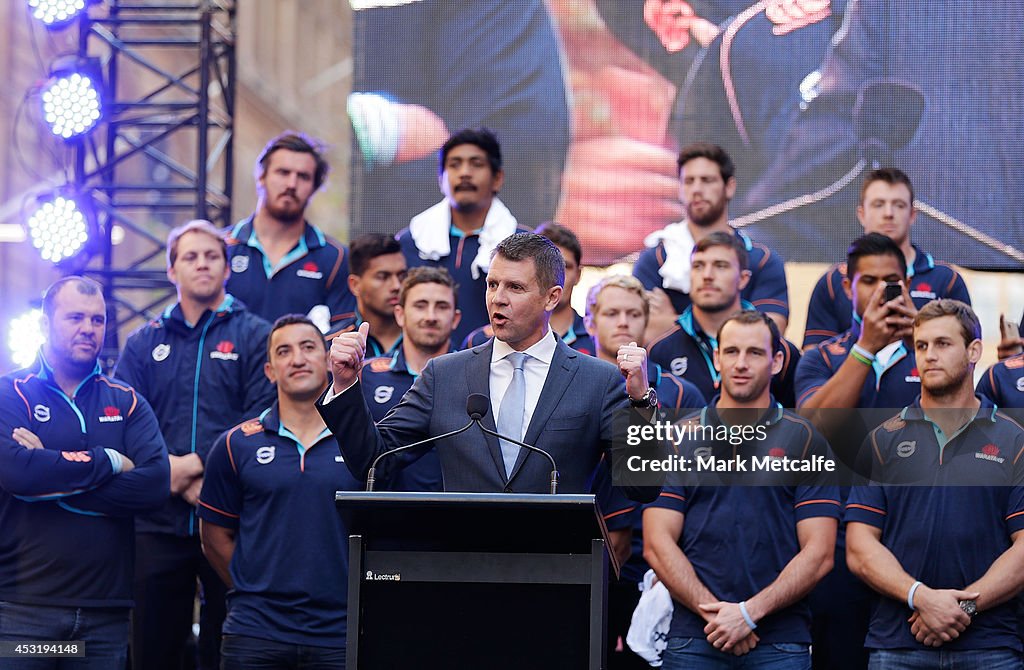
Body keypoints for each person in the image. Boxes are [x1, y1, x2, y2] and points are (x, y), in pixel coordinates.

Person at [318, 232, 657, 501]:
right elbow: (375, 461)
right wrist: (345, 385)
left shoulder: (597, 380)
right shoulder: (444, 376)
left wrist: (641, 404)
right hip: (464, 571)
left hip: (557, 575)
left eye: (515, 287)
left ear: (552, 297)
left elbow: (643, 488)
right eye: (493, 284)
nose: (498, 298)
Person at [114, 220, 275, 670]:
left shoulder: (256, 335)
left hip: (228, 517)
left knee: (228, 652)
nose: (202, 263)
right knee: (152, 649)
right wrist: (174, 475)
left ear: (227, 268)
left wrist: (198, 465)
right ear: (172, 270)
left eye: (211, 256)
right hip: (156, 520)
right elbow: (123, 418)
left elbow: (262, 413)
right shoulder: (145, 341)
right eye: (190, 256)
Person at [644, 310, 839, 669]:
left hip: (779, 642)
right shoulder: (677, 437)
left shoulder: (807, 439)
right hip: (694, 635)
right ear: (717, 358)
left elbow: (821, 552)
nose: (741, 363)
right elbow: (657, 543)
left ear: (777, 360)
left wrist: (749, 613)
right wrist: (717, 615)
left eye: (755, 352)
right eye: (731, 351)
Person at [0, 276, 170, 667]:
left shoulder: (127, 402)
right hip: (23, 611)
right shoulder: (11, 393)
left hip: (104, 613)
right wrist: (108, 462)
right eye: (75, 317)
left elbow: (154, 486)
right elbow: (16, 475)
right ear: (44, 324)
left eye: (97, 320)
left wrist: (49, 468)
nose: (88, 329)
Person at [846, 300, 1024, 668]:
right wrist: (920, 597)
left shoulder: (1015, 441)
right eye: (921, 346)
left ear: (974, 350)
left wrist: (965, 607)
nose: (929, 356)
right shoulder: (881, 439)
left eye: (943, 344)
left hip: (990, 646)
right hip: (898, 643)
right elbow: (860, 547)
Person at [198, 315, 361, 669]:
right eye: (284, 352)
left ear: (327, 359)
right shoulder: (234, 445)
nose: (298, 359)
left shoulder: (362, 442)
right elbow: (213, 537)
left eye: (308, 348)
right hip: (254, 632)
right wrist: (251, 587)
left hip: (341, 631)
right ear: (270, 370)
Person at [583, 274, 705, 669]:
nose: (623, 322)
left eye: (634, 313)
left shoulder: (682, 392)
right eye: (612, 312)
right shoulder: (568, 384)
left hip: (658, 558)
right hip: (586, 551)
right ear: (589, 321)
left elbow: (691, 470)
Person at [633, 142, 789, 340]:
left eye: (707, 180)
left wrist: (673, 321)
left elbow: (768, 336)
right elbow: (642, 333)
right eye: (689, 181)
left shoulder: (762, 260)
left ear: (729, 187)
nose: (697, 189)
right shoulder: (654, 259)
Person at [802, 168, 971, 348]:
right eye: (878, 204)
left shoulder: (947, 279)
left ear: (912, 214)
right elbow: (814, 363)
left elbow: (966, 355)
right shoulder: (833, 281)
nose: (888, 213)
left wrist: (920, 330)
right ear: (861, 214)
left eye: (899, 205)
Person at [396, 128, 529, 347]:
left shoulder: (523, 245)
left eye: (476, 164)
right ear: (440, 178)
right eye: (454, 164)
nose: (464, 173)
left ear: (497, 178)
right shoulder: (412, 241)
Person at [647, 231, 801, 406]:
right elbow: (650, 425)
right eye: (698, 266)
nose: (707, 275)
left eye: (720, 266)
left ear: (743, 279)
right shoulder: (659, 350)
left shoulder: (782, 351)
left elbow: (796, 423)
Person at [226, 132, 355, 328]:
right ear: (261, 176)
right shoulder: (221, 246)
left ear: (315, 187)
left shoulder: (336, 258)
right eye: (283, 173)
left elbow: (342, 332)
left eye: (303, 177)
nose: (291, 184)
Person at [360, 267, 461, 492]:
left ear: (455, 318)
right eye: (420, 305)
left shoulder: (474, 376)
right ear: (399, 314)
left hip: (457, 516)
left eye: (442, 307)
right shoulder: (366, 375)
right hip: (384, 516)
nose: (431, 317)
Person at [462, 222, 593, 355]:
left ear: (578, 274)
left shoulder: (596, 338)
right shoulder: (479, 341)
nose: (556, 275)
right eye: (492, 284)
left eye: (564, 266)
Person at [328, 234, 408, 358]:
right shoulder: (332, 346)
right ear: (355, 285)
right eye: (383, 276)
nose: (397, 286)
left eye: (402, 275)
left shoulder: (429, 338)